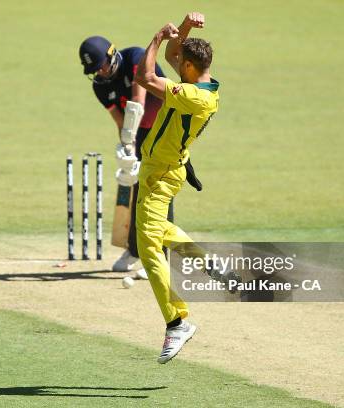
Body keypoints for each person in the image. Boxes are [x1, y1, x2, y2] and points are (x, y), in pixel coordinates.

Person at [134, 12, 219, 363]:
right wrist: (182, 29)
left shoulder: (194, 98)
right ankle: (210, 262)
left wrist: (156, 38)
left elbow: (145, 75)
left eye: (180, 60)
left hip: (161, 175)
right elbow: (174, 58)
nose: (175, 60)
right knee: (161, 230)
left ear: (187, 67)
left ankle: (176, 321)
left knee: (149, 248)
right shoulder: (201, 84)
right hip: (164, 170)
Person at [78, 36, 173, 276]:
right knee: (139, 189)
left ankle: (160, 257)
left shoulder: (137, 58)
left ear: (112, 54)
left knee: (159, 188)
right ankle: (136, 250)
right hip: (140, 131)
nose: (99, 72)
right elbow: (121, 121)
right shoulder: (100, 85)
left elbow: (137, 104)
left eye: (100, 64)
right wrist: (126, 150)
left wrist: (129, 141)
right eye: (94, 69)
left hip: (166, 125)